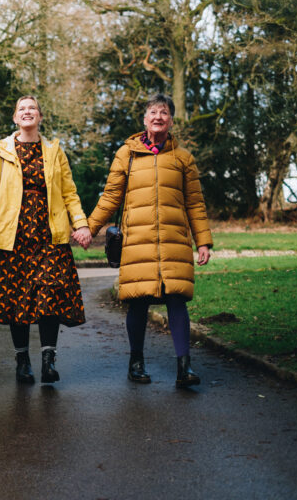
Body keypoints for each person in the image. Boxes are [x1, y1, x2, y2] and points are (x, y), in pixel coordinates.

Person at [87, 93, 213, 388]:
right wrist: (89, 228)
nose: (158, 117)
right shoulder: (126, 154)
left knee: (177, 299)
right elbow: (111, 197)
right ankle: (136, 363)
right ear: (145, 120)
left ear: (171, 121)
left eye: (164, 112)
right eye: (153, 112)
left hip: (174, 241)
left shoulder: (183, 159)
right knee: (138, 301)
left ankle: (184, 368)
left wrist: (203, 242)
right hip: (137, 241)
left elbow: (195, 204)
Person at [0, 95, 92, 384]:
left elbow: (69, 192)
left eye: (32, 108)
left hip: (49, 234)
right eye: (22, 109)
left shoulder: (55, 150)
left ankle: (48, 361)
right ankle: (22, 360)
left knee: (49, 296)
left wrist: (81, 223)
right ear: (15, 118)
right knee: (17, 299)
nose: (27, 112)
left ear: (39, 116)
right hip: (12, 235)